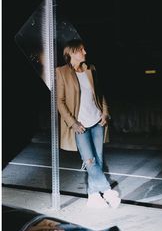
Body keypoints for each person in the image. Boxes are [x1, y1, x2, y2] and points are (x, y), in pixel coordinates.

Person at [56, 39, 120, 209]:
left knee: (98, 159)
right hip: (80, 125)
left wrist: (105, 113)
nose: (85, 52)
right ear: (71, 53)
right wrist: (73, 123)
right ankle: (107, 190)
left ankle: (93, 196)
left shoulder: (91, 69)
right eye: (81, 50)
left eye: (84, 49)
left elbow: (100, 94)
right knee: (90, 161)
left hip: (97, 121)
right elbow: (60, 102)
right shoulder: (61, 72)